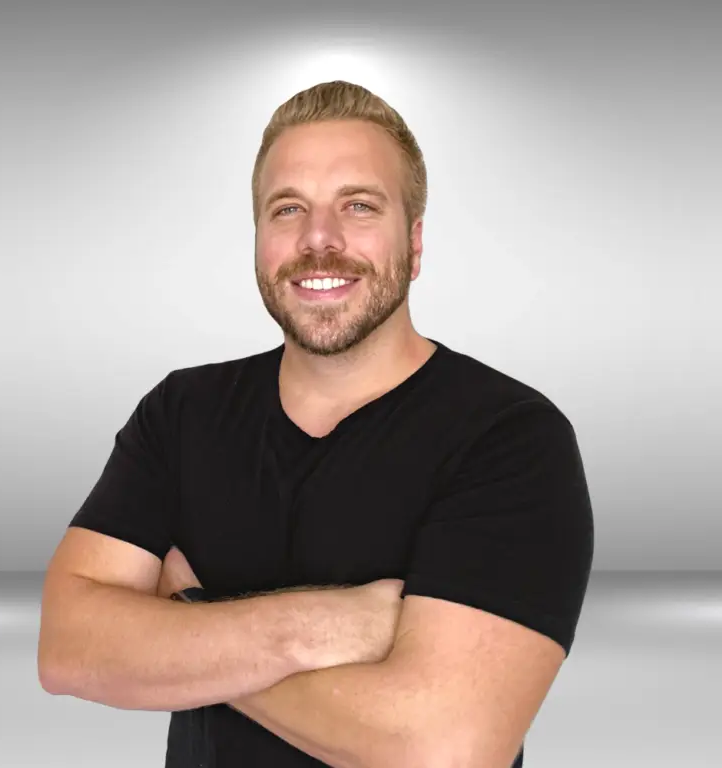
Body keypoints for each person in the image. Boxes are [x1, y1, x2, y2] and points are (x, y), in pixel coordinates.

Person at [38, 80, 595, 768]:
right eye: (288, 208)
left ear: (414, 245)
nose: (319, 240)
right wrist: (320, 628)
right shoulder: (182, 413)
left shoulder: (509, 437)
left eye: (358, 206)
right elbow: (66, 648)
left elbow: (444, 748)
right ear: (259, 240)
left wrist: (186, 613)